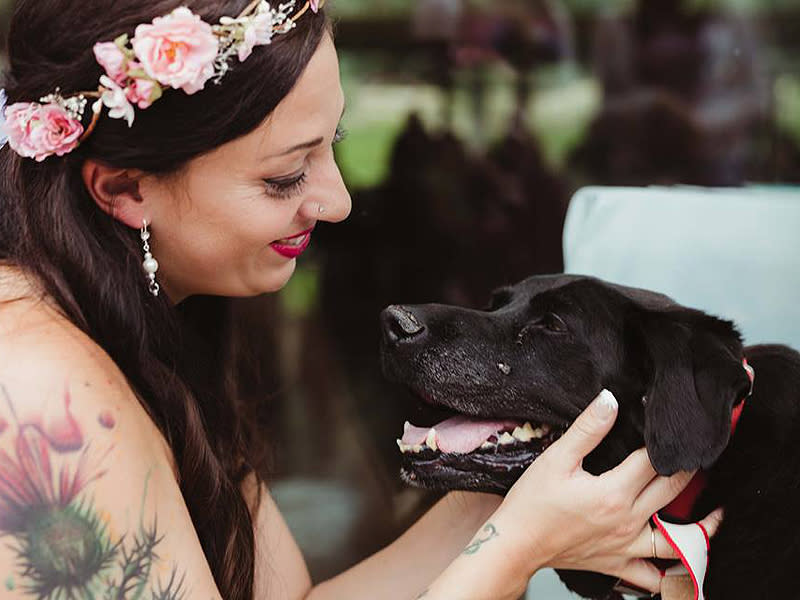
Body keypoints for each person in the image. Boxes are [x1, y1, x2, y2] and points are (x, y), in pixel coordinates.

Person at [0, 1, 722, 598]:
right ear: (125, 188)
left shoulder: (148, 342)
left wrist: (517, 480)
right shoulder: (39, 399)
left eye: (332, 144)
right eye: (286, 175)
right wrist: (517, 550)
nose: (339, 200)